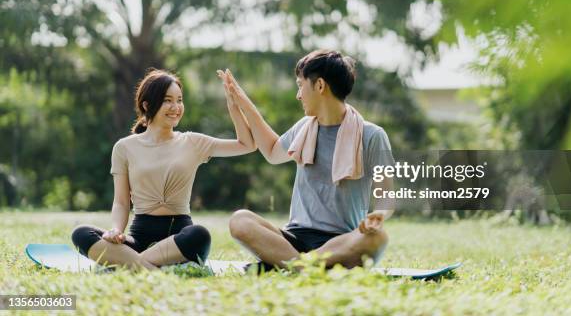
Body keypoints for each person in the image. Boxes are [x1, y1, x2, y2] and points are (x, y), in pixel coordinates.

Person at [225, 49, 395, 271]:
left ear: (320, 85)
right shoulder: (304, 128)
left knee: (378, 238)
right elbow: (271, 151)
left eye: (300, 85)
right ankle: (305, 267)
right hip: (294, 238)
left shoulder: (372, 135)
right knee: (240, 220)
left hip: (341, 241)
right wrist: (242, 102)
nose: (298, 95)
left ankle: (287, 265)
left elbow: (387, 196)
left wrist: (378, 215)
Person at [71, 68, 255, 269]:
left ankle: (130, 265)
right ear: (147, 104)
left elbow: (247, 144)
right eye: (168, 100)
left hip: (181, 238)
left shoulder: (193, 142)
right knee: (81, 233)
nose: (176, 107)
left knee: (199, 234)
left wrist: (233, 104)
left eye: (179, 100)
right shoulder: (124, 148)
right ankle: (150, 268)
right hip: (138, 238)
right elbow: (122, 202)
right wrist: (116, 230)